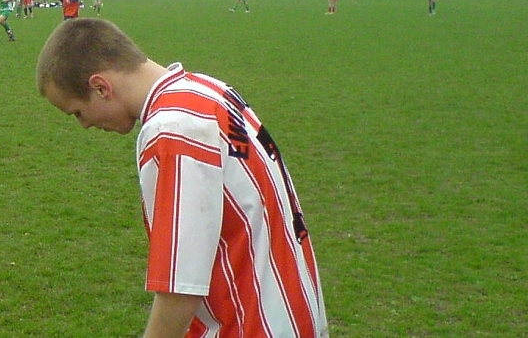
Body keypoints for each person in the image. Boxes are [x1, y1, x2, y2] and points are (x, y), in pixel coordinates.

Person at [36, 18, 328, 338]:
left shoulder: (172, 129)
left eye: (78, 112)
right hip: (295, 313)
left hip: (250, 327)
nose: (84, 125)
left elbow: (180, 287)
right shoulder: (209, 91)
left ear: (100, 87)